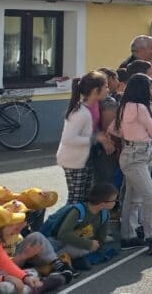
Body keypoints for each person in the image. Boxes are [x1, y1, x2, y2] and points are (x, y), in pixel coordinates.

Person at [116, 74, 152, 254]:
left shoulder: (123, 106)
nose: (151, 91)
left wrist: (129, 135)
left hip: (129, 152)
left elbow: (114, 129)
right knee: (150, 196)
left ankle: (128, 234)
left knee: (133, 198)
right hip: (141, 153)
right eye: (149, 87)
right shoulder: (142, 108)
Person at [56, 73, 107, 205]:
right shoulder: (79, 112)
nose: (108, 89)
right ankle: (65, 224)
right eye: (105, 87)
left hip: (84, 157)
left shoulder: (95, 105)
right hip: (74, 159)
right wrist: (95, 139)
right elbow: (68, 139)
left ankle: (77, 223)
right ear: (96, 91)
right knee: (76, 199)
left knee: (83, 196)